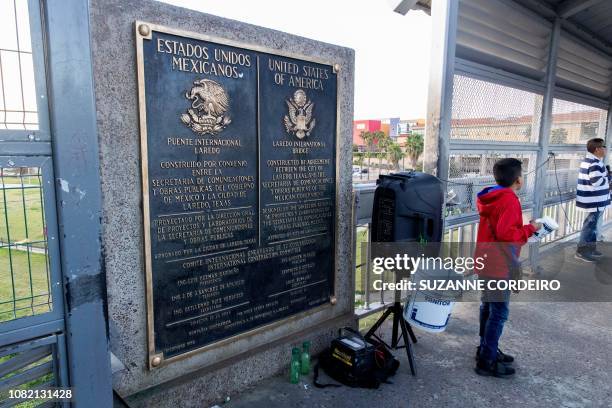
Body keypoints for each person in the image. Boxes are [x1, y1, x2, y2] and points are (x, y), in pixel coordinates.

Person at [474, 158, 541, 377]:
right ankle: (487, 361)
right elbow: (506, 236)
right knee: (499, 313)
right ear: (518, 179)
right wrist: (530, 229)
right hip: (497, 264)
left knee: (487, 305)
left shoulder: (490, 196)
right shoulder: (509, 200)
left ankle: (485, 349)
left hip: (485, 260)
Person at [575, 138, 610, 262]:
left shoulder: (591, 160)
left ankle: (590, 249)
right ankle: (582, 251)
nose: (605, 149)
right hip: (594, 200)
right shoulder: (595, 163)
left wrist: (605, 175)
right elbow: (597, 182)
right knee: (590, 225)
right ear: (597, 149)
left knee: (592, 226)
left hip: (594, 200)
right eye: (603, 147)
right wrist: (608, 177)